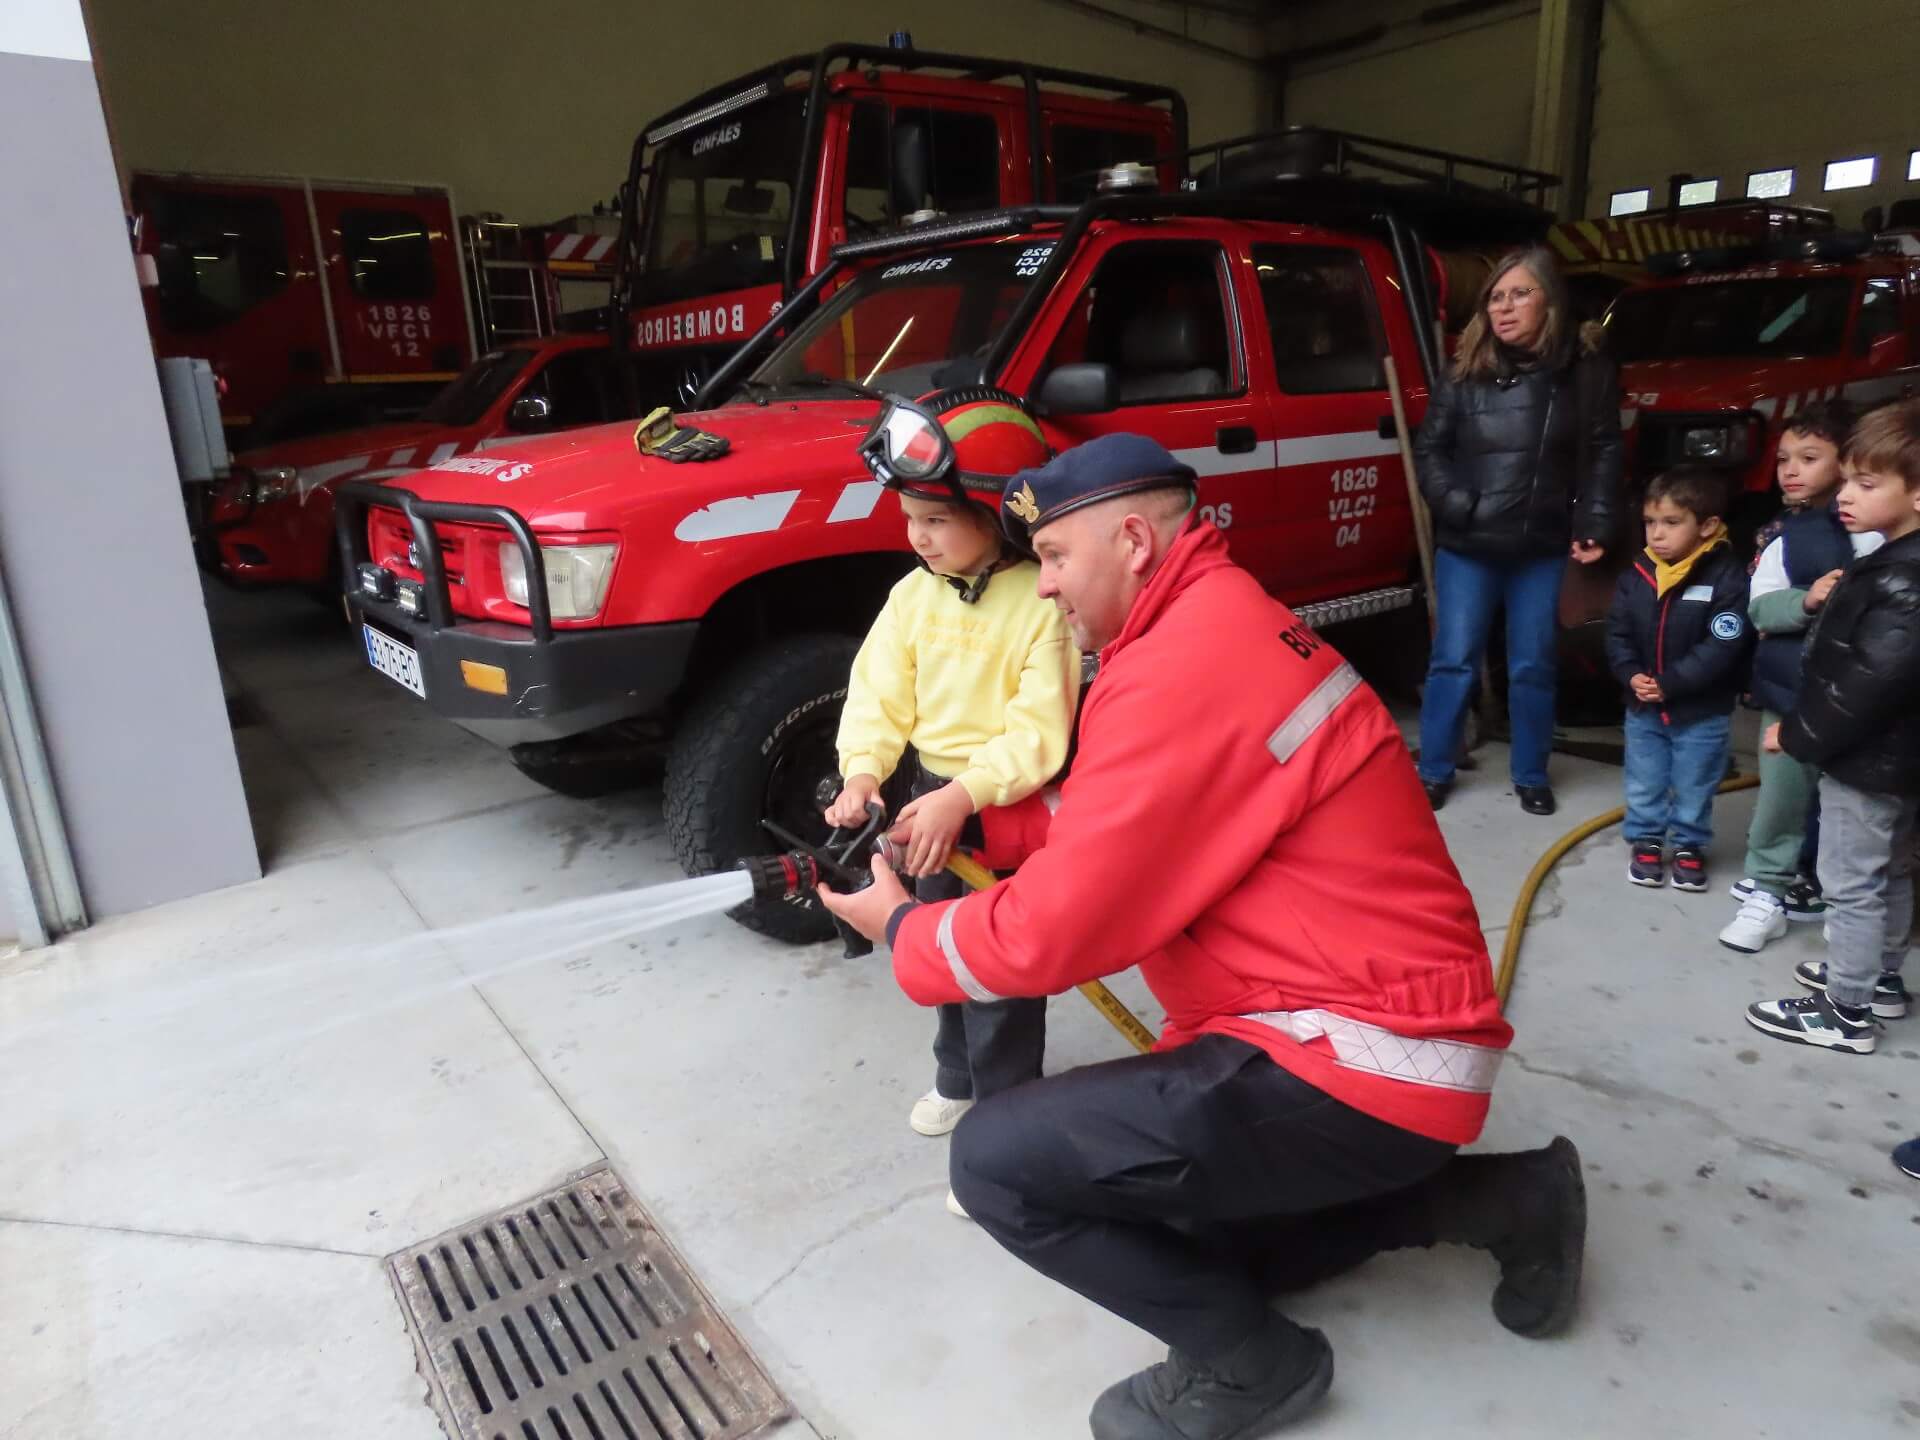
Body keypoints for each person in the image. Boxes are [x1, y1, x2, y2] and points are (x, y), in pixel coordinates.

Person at [821, 434, 1585, 1440]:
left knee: (998, 1162)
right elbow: (1135, 812)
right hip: (1368, 1035)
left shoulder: (1185, 664)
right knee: (1187, 1233)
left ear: (1133, 543)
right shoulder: (1206, 627)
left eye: (1053, 557)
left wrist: (904, 929)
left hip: (1353, 1054)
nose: (1042, 586)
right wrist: (978, 829)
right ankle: (1509, 1200)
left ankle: (1251, 1365)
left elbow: (1056, 929)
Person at [822, 389, 1078, 1212]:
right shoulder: (914, 595)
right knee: (934, 948)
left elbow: (1039, 734)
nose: (918, 537)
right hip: (931, 797)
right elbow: (878, 692)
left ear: (1000, 516)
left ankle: (1005, 1131)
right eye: (910, 518)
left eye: (935, 519)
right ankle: (958, 1077)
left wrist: (964, 796)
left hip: (1003, 808)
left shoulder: (1041, 604)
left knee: (997, 969)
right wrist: (864, 773)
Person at [1414, 246, 1622, 816]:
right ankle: (1433, 769)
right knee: (1454, 659)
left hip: (1541, 544)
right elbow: (1430, 450)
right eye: (1496, 297)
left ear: (1549, 301)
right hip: (1469, 544)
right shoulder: (1464, 369)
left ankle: (1530, 773)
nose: (1504, 308)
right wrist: (1461, 505)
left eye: (1519, 294)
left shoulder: (1586, 370)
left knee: (1533, 663)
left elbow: (1605, 449)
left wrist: (1596, 520)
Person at [1747, 399, 1920, 1055]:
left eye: (1866, 484)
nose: (1845, 496)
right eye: (1846, 480)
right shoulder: (1899, 559)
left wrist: (1796, 734)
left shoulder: (1904, 577)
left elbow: (1868, 683)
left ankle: (1845, 1011)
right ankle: (1881, 979)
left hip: (1868, 761)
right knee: (1890, 870)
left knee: (1851, 884)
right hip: (1896, 759)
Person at [1721, 402, 1880, 950]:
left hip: (1863, 697)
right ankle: (1768, 890)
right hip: (1792, 694)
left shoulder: (1884, 539)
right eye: (1784, 459)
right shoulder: (1787, 538)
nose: (1790, 470)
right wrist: (1806, 600)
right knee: (1782, 798)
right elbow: (1760, 608)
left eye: (1809, 458)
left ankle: (1839, 903)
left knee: (1850, 807)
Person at [1603, 467, 1754, 891]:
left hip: (1701, 709)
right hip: (1643, 705)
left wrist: (1670, 682)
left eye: (1672, 522)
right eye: (1650, 522)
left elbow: (1723, 644)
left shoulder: (1727, 577)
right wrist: (1631, 674)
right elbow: (1617, 633)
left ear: (1707, 526)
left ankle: (1689, 844)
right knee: (1644, 777)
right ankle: (1647, 839)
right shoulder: (1637, 574)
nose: (1657, 534)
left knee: (1695, 780)